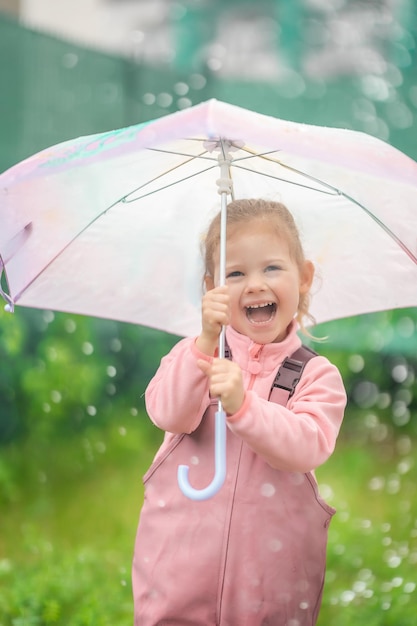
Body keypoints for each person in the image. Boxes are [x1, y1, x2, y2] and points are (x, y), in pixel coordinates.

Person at [132, 198, 347, 625]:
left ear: (304, 276)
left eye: (271, 268)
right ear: (211, 288)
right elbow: (168, 414)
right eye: (235, 274)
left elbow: (307, 445)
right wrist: (204, 344)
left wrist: (245, 407)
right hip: (179, 569)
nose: (254, 285)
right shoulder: (194, 356)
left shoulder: (314, 375)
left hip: (269, 583)